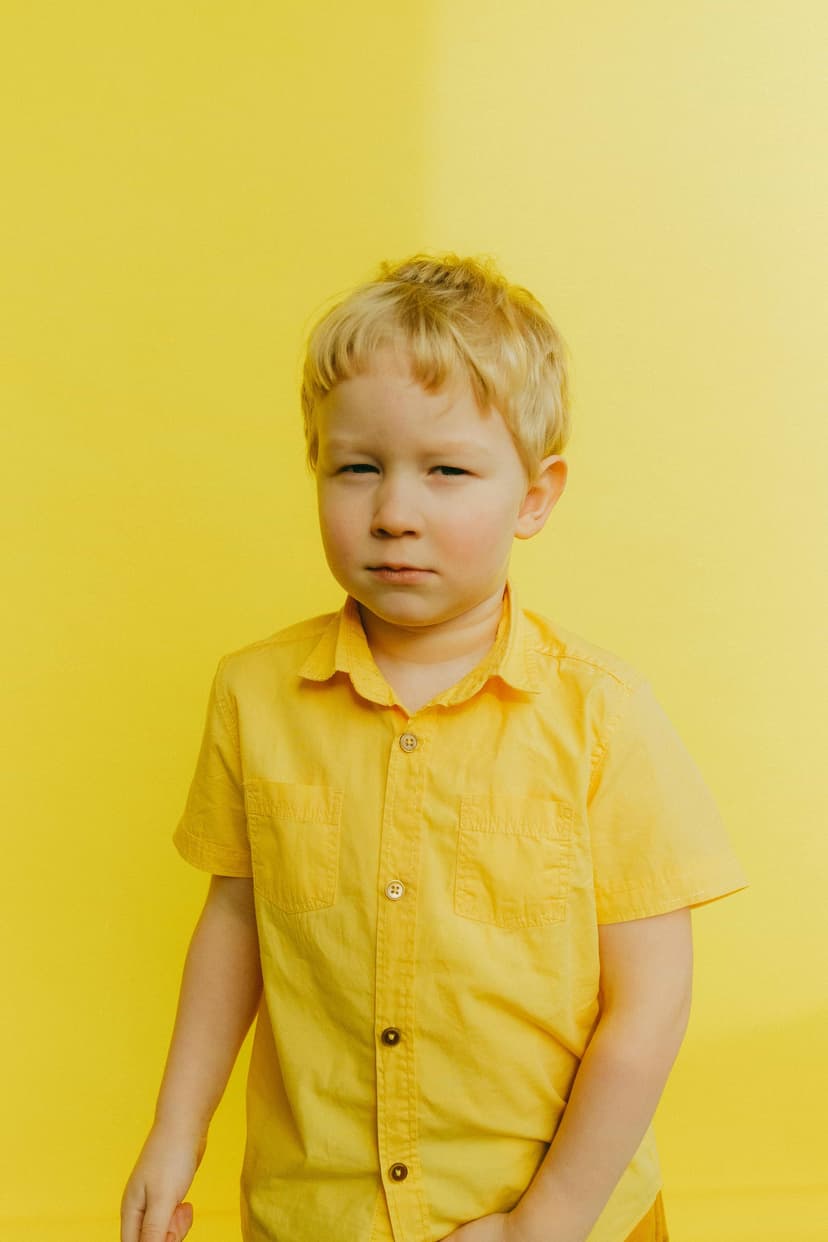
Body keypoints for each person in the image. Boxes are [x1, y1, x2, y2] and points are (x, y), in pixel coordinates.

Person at [120, 253, 748, 1242]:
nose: (394, 513)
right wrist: (174, 1133)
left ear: (535, 497)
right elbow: (236, 923)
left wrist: (544, 1223)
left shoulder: (603, 714)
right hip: (319, 1212)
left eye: (448, 470)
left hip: (567, 1216)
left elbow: (651, 1003)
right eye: (356, 466)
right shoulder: (254, 693)